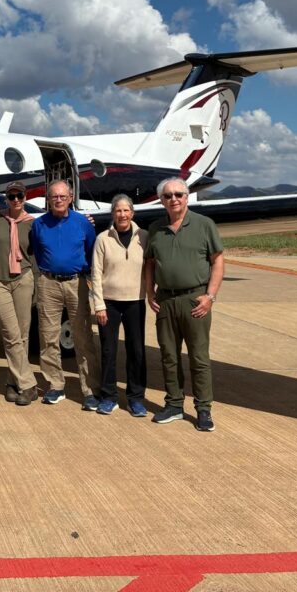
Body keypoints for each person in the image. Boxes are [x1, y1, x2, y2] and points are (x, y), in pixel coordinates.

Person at [143, 177, 224, 432]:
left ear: (187, 197)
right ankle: (174, 405)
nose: (174, 199)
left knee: (199, 358)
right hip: (166, 300)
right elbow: (150, 263)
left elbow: (218, 260)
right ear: (161, 200)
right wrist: (149, 292)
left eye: (179, 194)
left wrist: (210, 296)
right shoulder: (155, 228)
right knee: (169, 356)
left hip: (195, 299)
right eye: (168, 196)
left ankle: (203, 410)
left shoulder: (204, 225)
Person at [28, 179, 100, 409]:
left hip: (75, 283)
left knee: (82, 336)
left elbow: (91, 251)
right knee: (48, 336)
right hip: (48, 283)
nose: (58, 200)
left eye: (62, 196)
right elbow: (38, 252)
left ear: (70, 198)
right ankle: (55, 385)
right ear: (48, 200)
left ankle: (90, 389)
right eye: (53, 196)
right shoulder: (39, 224)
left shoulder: (83, 223)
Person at [90, 195, 148, 417]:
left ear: (132, 213)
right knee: (108, 350)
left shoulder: (144, 236)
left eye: (126, 211)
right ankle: (108, 396)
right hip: (109, 303)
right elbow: (95, 273)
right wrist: (99, 304)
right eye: (118, 211)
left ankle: (135, 398)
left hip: (135, 301)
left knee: (136, 351)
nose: (122, 215)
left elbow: (150, 267)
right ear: (112, 214)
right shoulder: (103, 239)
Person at [0, 181, 38, 406]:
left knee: (23, 335)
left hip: (23, 279)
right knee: (10, 333)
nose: (15, 199)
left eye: (19, 196)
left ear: (25, 197)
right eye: (11, 196)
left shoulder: (32, 223)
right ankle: (29, 384)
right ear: (5, 198)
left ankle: (12, 382)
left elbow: (37, 253)